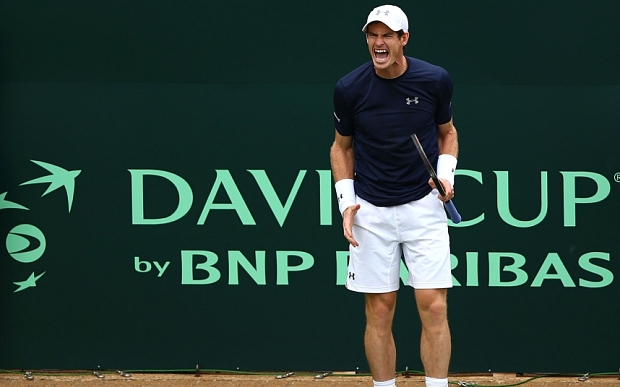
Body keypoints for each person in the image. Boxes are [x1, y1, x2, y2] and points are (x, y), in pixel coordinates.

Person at [329, 5, 458, 387]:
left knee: (433, 307)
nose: (378, 43)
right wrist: (346, 202)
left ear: (404, 39)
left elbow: (448, 133)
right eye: (373, 35)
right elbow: (341, 148)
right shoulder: (349, 88)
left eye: (387, 35)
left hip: (424, 205)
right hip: (371, 209)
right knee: (380, 310)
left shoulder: (434, 80)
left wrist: (445, 175)